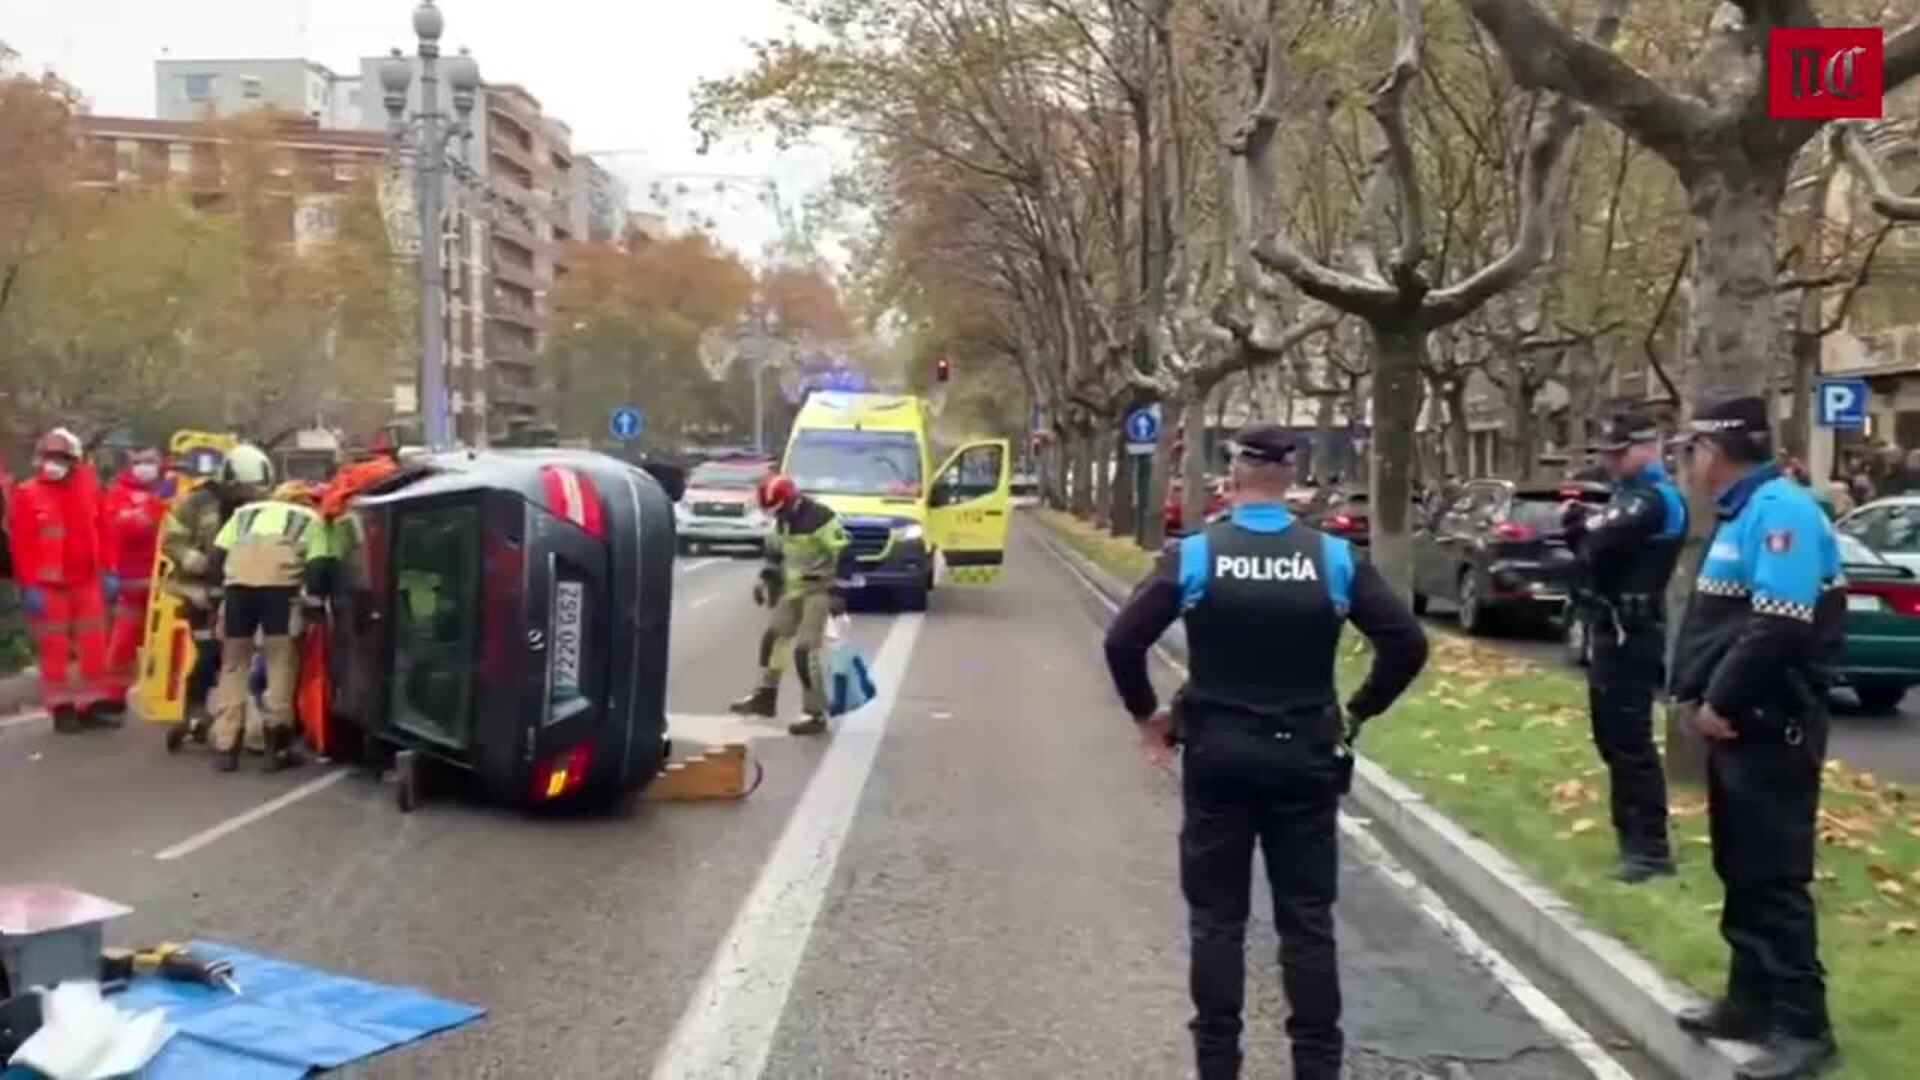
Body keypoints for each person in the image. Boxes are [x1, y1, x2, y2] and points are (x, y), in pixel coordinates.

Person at [1102, 424, 1429, 1080]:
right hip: (1305, 752)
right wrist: (1359, 709)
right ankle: (1316, 1066)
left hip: (1218, 753)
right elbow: (1406, 644)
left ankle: (1218, 1065)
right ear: (1291, 476)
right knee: (1307, 920)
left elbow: (1123, 642)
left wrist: (1148, 716)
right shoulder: (1333, 558)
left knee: (1217, 919)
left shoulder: (1196, 555)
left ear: (1234, 475)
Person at [1669, 396, 1843, 1080]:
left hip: (1772, 724)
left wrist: (1718, 698)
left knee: (1774, 877)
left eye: (1694, 449)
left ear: (1719, 449)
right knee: (1740, 869)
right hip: (1743, 727)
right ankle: (1750, 1001)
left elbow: (1779, 626)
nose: (1690, 462)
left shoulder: (1785, 512)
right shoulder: (1746, 512)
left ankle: (1805, 1026)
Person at [1563, 410, 1686, 883]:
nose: (1612, 462)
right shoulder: (1626, 495)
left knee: (1630, 740)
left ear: (1650, 447)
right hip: (1608, 626)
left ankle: (1650, 850)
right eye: (1608, 454)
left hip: (1632, 633)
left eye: (1621, 452)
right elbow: (1587, 544)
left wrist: (1582, 528)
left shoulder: (1654, 498)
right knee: (1611, 738)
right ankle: (1629, 839)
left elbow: (1599, 539)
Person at [204, 447, 334, 772]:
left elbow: (217, 555)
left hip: (237, 591)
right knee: (281, 663)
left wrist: (217, 597)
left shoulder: (245, 514)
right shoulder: (312, 519)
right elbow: (318, 568)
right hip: (280, 592)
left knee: (234, 665)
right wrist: (314, 605)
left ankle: (226, 746)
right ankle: (277, 746)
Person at [5, 429, 111, 732]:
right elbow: (21, 546)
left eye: (60, 457)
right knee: (56, 651)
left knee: (93, 649)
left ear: (74, 460)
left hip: (86, 581)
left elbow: (102, 530)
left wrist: (108, 570)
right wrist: (29, 587)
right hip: (49, 586)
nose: (53, 462)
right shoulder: (28, 494)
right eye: (49, 456)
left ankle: (89, 705)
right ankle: (61, 709)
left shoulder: (89, 490)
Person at [729, 473, 850, 736]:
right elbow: (775, 552)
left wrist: (839, 591)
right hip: (793, 589)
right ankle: (766, 696)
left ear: (792, 500)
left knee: (805, 651)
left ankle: (815, 714)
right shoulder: (782, 522)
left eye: (780, 510)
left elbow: (845, 553)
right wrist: (764, 581)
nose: (778, 517)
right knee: (773, 638)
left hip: (819, 590)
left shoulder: (821, 518)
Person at [98, 447, 168, 715]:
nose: (144, 466)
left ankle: (168, 695)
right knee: (123, 644)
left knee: (168, 643)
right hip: (133, 582)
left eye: (150, 461)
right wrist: (154, 507)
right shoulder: (120, 493)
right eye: (139, 462)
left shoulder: (172, 489)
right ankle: (113, 696)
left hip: (166, 581)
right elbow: (125, 528)